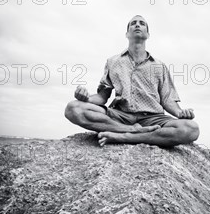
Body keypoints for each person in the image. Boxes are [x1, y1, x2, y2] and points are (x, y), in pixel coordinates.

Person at [64, 15, 200, 147]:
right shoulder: (113, 62)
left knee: (191, 128)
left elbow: (167, 100)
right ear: (127, 34)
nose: (137, 24)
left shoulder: (159, 66)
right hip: (120, 116)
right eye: (133, 23)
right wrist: (86, 98)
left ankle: (124, 137)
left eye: (142, 23)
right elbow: (102, 97)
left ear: (148, 34)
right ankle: (131, 130)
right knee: (73, 108)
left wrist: (180, 113)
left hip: (153, 118)